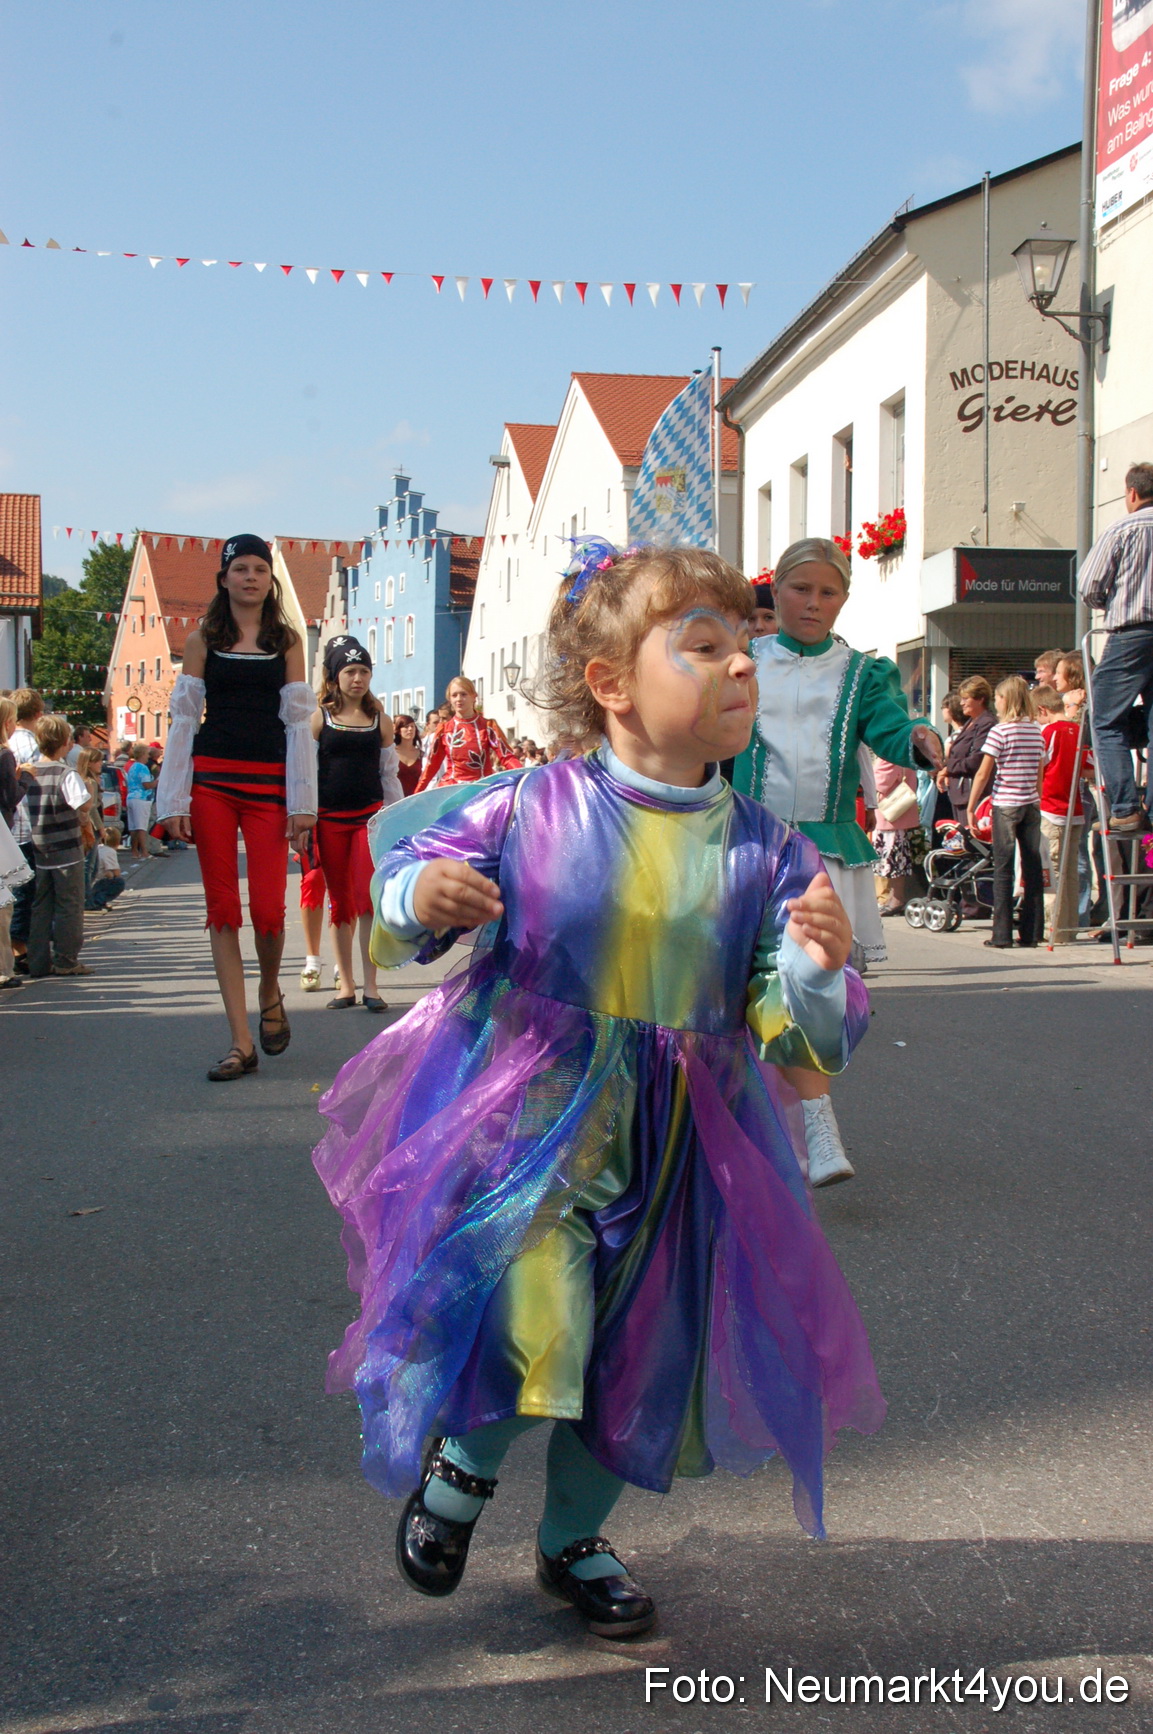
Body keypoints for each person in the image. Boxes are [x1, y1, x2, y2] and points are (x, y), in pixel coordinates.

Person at [313, 540, 883, 1639]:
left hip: (680, 1145)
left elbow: (801, 1028)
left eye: (745, 651)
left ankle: (573, 1538)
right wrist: (419, 891)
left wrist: (814, 971)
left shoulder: (767, 853)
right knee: (538, 1313)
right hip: (530, 1123)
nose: (737, 671)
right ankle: (465, 1467)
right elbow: (401, 884)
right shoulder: (531, 804)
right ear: (612, 684)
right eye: (702, 647)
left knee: (639, 1359)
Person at [731, 538, 942, 1186]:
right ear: (778, 593)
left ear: (842, 598)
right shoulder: (744, 663)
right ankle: (756, 1121)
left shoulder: (859, 673)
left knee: (801, 986)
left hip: (820, 851)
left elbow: (885, 723)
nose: (813, 603)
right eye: (800, 589)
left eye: (827, 592)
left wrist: (912, 736)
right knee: (732, 988)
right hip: (743, 842)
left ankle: (815, 1125)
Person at [156, 533, 318, 1081]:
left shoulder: (288, 640)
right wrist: (172, 799)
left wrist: (304, 805)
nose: (251, 577)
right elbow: (183, 722)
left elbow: (299, 726)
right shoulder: (203, 639)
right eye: (240, 568)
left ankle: (269, 986)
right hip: (214, 784)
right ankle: (240, 1041)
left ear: (269, 580)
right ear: (223, 577)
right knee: (223, 910)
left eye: (260, 569)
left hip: (271, 785)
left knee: (270, 913)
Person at [310, 637, 401, 1013]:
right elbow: (308, 773)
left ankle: (372, 986)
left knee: (368, 902)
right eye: (350, 671)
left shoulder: (381, 721)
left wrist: (396, 820)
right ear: (335, 676)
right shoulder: (319, 719)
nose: (358, 678)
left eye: (364, 671)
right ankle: (345, 985)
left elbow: (389, 774)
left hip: (369, 819)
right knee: (340, 903)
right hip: (330, 819)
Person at [1078, 462, 1153, 830]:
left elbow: (1089, 584)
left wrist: (1113, 602)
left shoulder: (1124, 527)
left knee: (1104, 720)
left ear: (1133, 493)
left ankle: (1125, 808)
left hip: (1132, 633)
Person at [966, 676, 1045, 949]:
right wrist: (1037, 796)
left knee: (1003, 867)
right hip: (1031, 803)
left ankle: (1001, 935)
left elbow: (984, 772)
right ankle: (1032, 932)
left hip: (1006, 803)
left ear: (1006, 700)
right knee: (1032, 867)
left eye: (998, 697)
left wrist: (971, 806)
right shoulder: (1037, 731)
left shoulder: (1000, 731)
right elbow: (1040, 771)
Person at [24, 714, 94, 978]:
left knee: (41, 905)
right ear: (66, 742)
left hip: (41, 846)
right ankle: (66, 959)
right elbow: (82, 804)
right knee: (69, 905)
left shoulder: (30, 771)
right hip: (66, 847)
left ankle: (38, 962)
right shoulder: (66, 773)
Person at [1034, 686, 1088, 944]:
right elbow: (1088, 768)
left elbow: (1040, 766)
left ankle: (1052, 928)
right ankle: (1069, 927)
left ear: (1043, 710)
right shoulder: (1078, 732)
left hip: (1051, 808)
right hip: (1074, 809)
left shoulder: (1049, 732)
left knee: (1052, 871)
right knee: (1070, 872)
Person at [414, 676, 520, 792]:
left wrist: (527, 776)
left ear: (474, 697)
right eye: (454, 695)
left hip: (482, 788)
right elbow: (431, 766)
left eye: (463, 694)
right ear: (450, 699)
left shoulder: (488, 726)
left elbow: (507, 757)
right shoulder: (444, 730)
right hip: (452, 789)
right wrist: (416, 795)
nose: (459, 699)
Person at [938, 676, 996, 825]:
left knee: (974, 842)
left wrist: (947, 768)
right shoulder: (972, 721)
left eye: (966, 698)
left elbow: (976, 761)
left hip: (974, 795)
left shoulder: (986, 723)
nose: (961, 703)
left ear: (980, 699)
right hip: (960, 794)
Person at [871, 759, 922, 915]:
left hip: (889, 815)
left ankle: (896, 899)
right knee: (896, 858)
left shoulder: (889, 755)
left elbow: (881, 782)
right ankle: (894, 898)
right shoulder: (902, 752)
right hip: (896, 814)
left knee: (892, 859)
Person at [125, 741, 157, 859]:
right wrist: (156, 782)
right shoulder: (143, 768)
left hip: (131, 797)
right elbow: (146, 785)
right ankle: (144, 851)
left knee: (133, 827)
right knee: (142, 826)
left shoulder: (133, 767)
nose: (148, 756)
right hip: (141, 798)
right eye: (147, 754)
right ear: (143, 754)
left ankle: (134, 851)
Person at [393, 714, 423, 796]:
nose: (410, 729)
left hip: (417, 798)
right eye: (406, 727)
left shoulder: (422, 755)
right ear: (399, 730)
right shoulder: (392, 753)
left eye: (412, 726)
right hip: (396, 799)